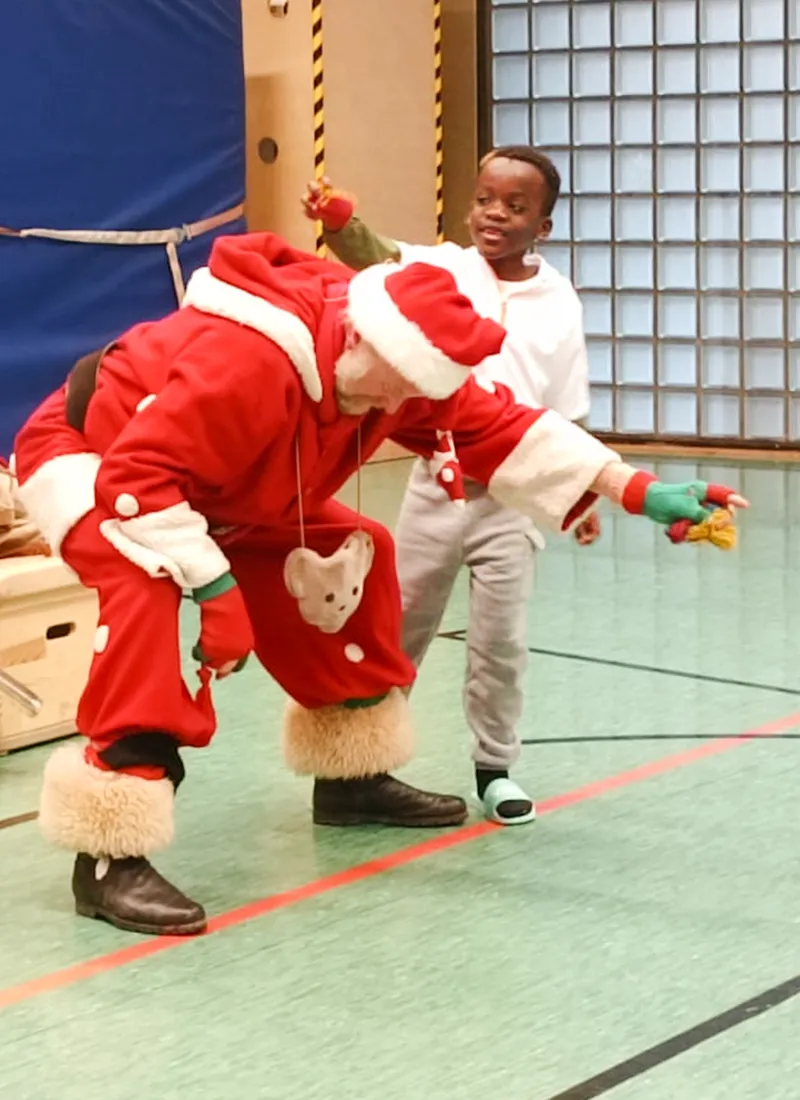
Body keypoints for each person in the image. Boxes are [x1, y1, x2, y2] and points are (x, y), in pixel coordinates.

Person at [13, 231, 746, 937]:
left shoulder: (399, 362)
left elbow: (498, 425)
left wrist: (638, 491)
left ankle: (351, 778)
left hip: (232, 484)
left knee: (353, 552)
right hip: (99, 458)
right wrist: (214, 593)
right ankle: (109, 857)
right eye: (395, 389)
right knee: (145, 585)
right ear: (363, 341)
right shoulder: (250, 361)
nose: (402, 405)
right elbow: (138, 478)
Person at [303, 146, 597, 825]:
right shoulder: (442, 267)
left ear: (543, 226)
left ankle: (494, 768)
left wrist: (579, 491)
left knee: (502, 644)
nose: (494, 215)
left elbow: (568, 412)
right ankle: (359, 768)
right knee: (395, 629)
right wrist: (337, 218)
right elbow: (372, 253)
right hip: (435, 488)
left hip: (514, 499)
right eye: (485, 200)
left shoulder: (558, 303)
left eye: (515, 207)